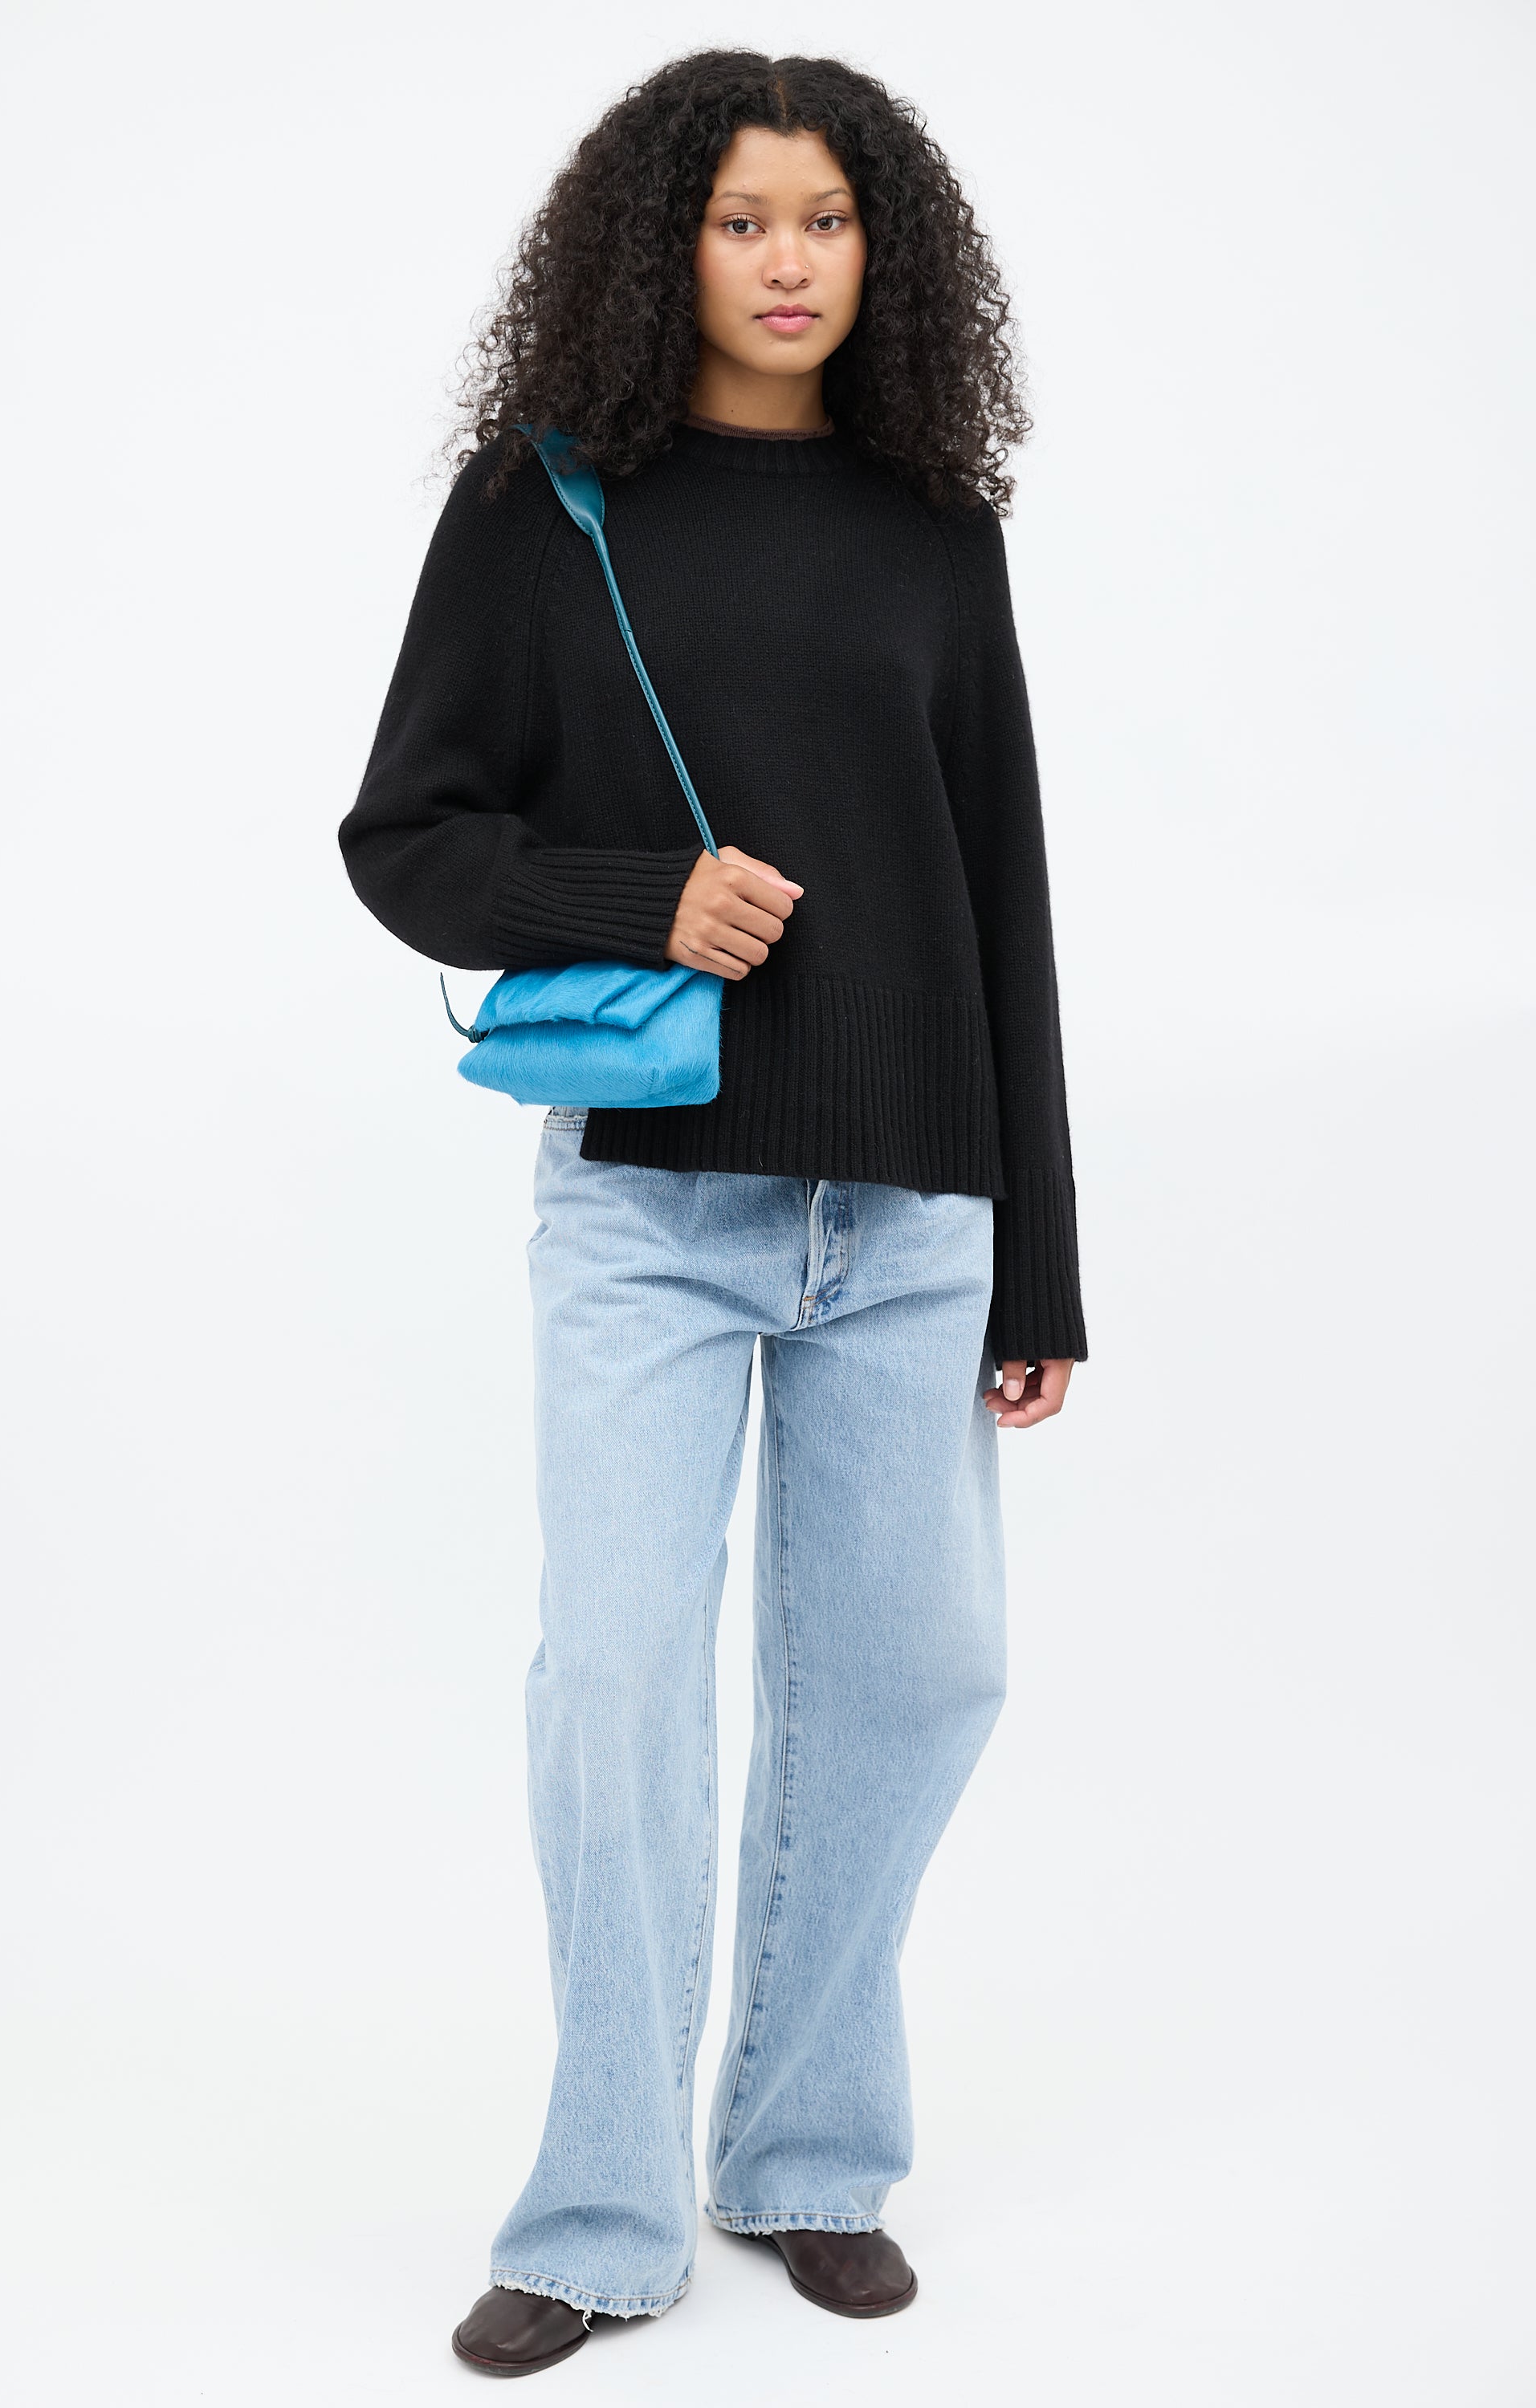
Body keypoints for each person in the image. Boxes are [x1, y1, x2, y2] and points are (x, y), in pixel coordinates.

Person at [339, 48, 1087, 2381]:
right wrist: (634, 898)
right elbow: (404, 837)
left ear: (885, 253)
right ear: (665, 238)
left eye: (827, 221)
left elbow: (1006, 902)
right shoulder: (542, 503)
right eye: (743, 218)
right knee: (620, 1691)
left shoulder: (936, 528)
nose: (786, 261)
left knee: (921, 1678)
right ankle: (594, 2214)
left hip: (917, 1212)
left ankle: (807, 2154)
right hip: (649, 1209)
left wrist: (1044, 1259)